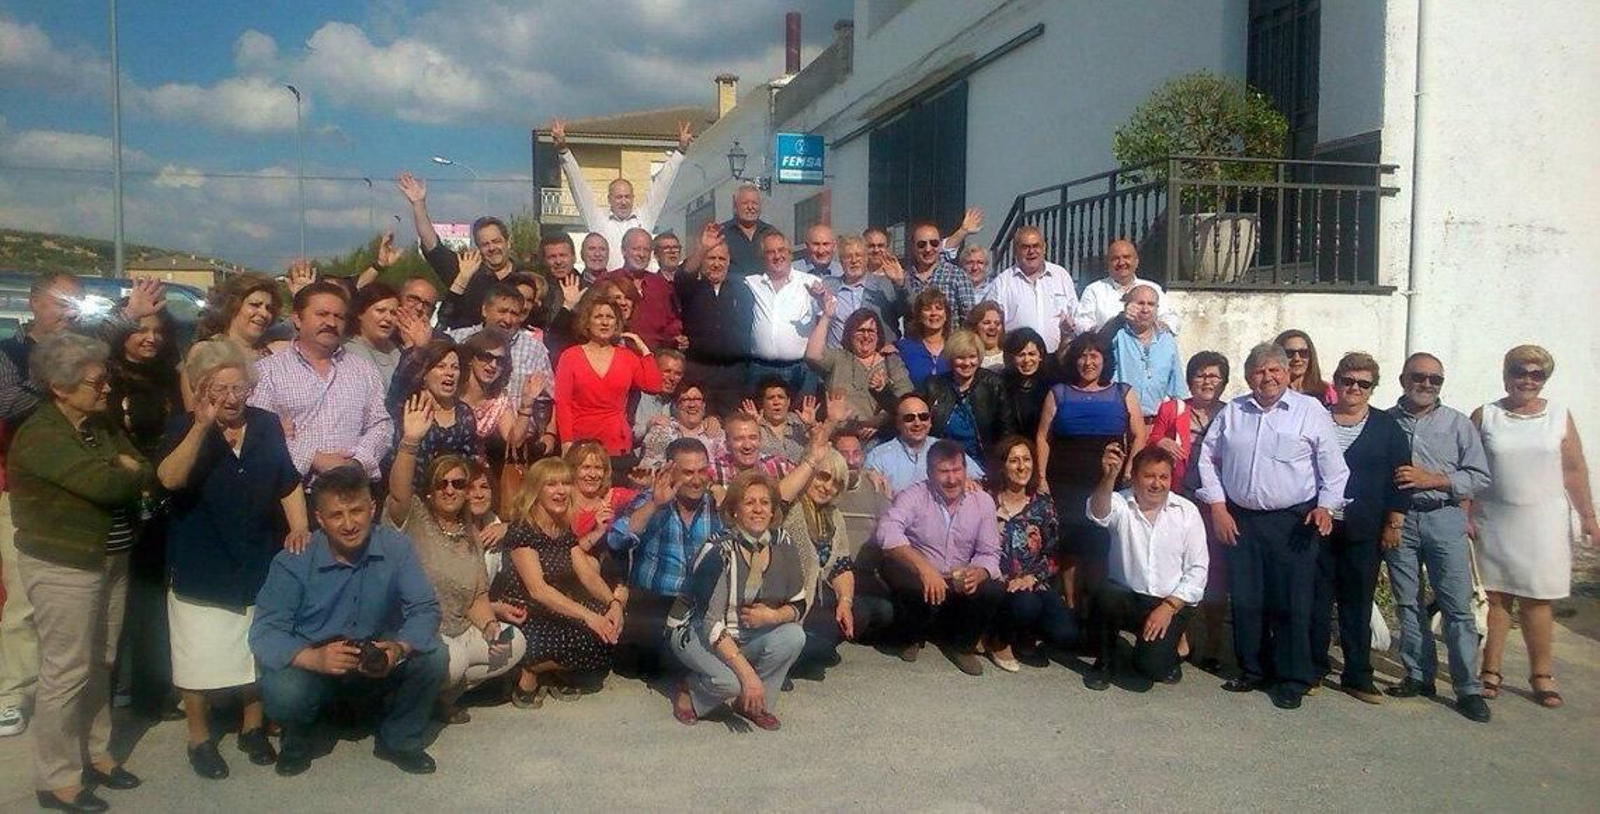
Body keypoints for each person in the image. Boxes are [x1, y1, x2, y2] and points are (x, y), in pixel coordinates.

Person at [9, 333, 153, 810]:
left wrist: (127, 469)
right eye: (96, 381)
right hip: (64, 564)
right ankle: (56, 778)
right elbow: (107, 484)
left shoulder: (99, 424)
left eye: (105, 377)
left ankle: (95, 753)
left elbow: (143, 468)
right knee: (66, 671)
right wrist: (124, 470)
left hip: (111, 557)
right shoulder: (42, 435)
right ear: (59, 387)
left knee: (102, 661)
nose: (107, 388)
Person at [156, 339, 309, 779]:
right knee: (198, 655)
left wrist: (299, 525)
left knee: (253, 651)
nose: (229, 398)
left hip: (256, 557)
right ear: (201, 389)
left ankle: (252, 727)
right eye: (218, 389)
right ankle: (199, 737)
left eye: (238, 388)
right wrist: (202, 427)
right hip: (202, 559)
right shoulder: (181, 427)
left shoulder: (263, 425)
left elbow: (287, 480)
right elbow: (169, 478)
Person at [250, 466, 446, 777]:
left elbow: (424, 608)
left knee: (433, 654)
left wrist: (398, 648)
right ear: (319, 518)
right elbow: (264, 632)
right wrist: (313, 658)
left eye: (356, 511)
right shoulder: (293, 560)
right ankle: (297, 741)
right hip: (315, 659)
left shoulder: (397, 547)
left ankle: (399, 740)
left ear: (372, 509)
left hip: (374, 652)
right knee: (286, 689)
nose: (349, 523)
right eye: (336, 515)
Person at [1197, 343, 1349, 711]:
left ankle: (1292, 677)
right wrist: (1217, 506)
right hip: (1241, 519)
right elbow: (1207, 458)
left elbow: (1334, 468)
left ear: (1286, 373)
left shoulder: (1308, 411)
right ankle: (1252, 669)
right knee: (1248, 599)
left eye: (1274, 370)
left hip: (1292, 521)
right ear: (1249, 376)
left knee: (1291, 602)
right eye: (1259, 371)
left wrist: (1327, 507)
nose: (1267, 377)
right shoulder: (1234, 411)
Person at [1472, 344, 1596, 710]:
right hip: (1493, 519)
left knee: (1537, 599)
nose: (1527, 380)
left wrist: (1588, 516)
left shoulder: (1559, 415)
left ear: (1544, 379)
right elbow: (1468, 466)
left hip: (1543, 522)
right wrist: (1464, 511)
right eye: (1519, 372)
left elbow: (1574, 470)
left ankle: (1541, 674)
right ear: (1506, 374)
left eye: (1536, 374)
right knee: (1494, 597)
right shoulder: (1486, 415)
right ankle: (1490, 670)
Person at [1383, 352, 1492, 722]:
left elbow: (1479, 476)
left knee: (1456, 606)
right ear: (1403, 379)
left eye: (1435, 379)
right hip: (1401, 519)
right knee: (1407, 601)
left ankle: (1468, 687)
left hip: (1444, 517)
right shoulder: (1384, 422)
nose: (1427, 384)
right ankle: (1417, 673)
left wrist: (1436, 479)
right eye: (1419, 376)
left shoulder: (1459, 424)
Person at [667, 471, 811, 729]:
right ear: (734, 511)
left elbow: (799, 604)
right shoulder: (718, 550)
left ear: (773, 510)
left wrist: (775, 616)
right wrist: (747, 675)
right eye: (749, 503)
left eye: (765, 503)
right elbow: (709, 622)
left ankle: (753, 703)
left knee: (793, 636)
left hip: (744, 632)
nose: (758, 510)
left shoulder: (784, 544)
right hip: (695, 629)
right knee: (731, 682)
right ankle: (691, 689)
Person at [1309, 352, 1410, 705]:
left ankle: (1357, 674)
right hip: (1318, 527)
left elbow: (1401, 479)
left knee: (1357, 602)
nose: (1354, 388)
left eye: (1363, 383)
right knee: (1316, 601)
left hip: (1365, 530)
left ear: (1372, 388)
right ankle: (1314, 668)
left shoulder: (1387, 427)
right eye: (1348, 381)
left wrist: (1394, 522)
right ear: (1335, 383)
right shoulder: (1316, 418)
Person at [101, 303, 183, 721]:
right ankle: (104, 696)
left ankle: (152, 694)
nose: (150, 338)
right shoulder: (102, 371)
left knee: (150, 600)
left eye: (157, 331)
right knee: (110, 602)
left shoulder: (170, 376)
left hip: (160, 498)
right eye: (139, 329)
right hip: (116, 496)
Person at [489, 458, 621, 707]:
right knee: (589, 634)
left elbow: (588, 575)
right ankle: (530, 671)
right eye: (551, 484)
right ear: (535, 490)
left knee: (608, 630)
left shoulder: (562, 529)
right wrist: (589, 617)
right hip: (526, 613)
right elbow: (538, 590)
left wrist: (613, 604)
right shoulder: (522, 530)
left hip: (556, 608)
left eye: (565, 483)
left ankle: (551, 671)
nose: (561, 491)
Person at [1082, 444, 1207, 691]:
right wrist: (1109, 476)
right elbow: (1097, 513)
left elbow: (1198, 569)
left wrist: (1169, 607)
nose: (1157, 484)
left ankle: (1165, 651)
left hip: (1168, 603)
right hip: (1127, 597)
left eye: (1163, 477)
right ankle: (1105, 661)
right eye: (1149, 476)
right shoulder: (1120, 501)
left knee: (1151, 670)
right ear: (1135, 477)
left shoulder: (1187, 512)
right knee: (1107, 594)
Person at [1035, 333, 1145, 608]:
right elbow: (1042, 437)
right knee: (1070, 546)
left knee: (1100, 545)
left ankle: (1095, 606)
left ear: (1104, 359)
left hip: (1108, 480)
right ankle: (1070, 605)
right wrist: (1041, 478)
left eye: (1094, 355)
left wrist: (1129, 469)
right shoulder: (1058, 392)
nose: (1088, 362)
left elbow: (1139, 435)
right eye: (1082, 355)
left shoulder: (1123, 392)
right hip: (1066, 482)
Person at [877, 440, 1003, 675]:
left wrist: (979, 573)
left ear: (966, 470)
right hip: (922, 575)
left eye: (957, 470)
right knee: (900, 573)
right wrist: (923, 568)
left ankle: (961, 646)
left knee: (992, 588)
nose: (952, 479)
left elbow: (990, 553)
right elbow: (887, 532)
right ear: (929, 473)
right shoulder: (913, 495)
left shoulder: (983, 501)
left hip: (958, 576)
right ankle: (911, 636)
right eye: (944, 472)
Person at [249, 281, 393, 483]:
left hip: (351, 491)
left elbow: (381, 425)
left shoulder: (364, 370)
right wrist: (313, 459)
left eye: (338, 317)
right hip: (292, 493)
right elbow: (258, 433)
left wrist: (357, 463)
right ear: (297, 319)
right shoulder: (267, 372)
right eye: (322, 314)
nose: (331, 323)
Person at [605, 438, 721, 678]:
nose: (697, 479)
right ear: (670, 470)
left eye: (702, 470)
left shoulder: (718, 504)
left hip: (700, 604)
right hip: (655, 601)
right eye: (688, 472)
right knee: (634, 668)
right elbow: (616, 540)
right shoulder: (651, 500)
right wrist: (655, 505)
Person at [1147, 350, 1229, 666]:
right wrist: (1161, 443)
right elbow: (1151, 444)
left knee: (1216, 573)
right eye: (1200, 375)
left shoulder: (1233, 412)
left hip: (1217, 503)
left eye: (1214, 375)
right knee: (1177, 567)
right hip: (1180, 497)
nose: (1207, 381)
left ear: (1223, 381)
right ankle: (1181, 637)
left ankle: (1213, 641)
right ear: (1189, 379)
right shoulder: (1173, 408)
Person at [781, 449, 894, 672]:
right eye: (822, 476)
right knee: (824, 643)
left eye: (836, 482)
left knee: (876, 610)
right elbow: (778, 497)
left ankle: (807, 648)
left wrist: (845, 602)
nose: (827, 487)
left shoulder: (833, 515)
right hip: (787, 600)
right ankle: (783, 660)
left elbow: (841, 565)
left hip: (818, 596)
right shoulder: (791, 509)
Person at [552, 118, 690, 271]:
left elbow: (661, 186)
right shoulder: (599, 221)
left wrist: (680, 152)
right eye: (618, 197)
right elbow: (579, 188)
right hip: (611, 287)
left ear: (633, 198)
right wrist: (564, 152)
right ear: (609, 199)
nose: (623, 202)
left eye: (627, 197)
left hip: (640, 288)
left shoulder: (644, 217)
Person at [985, 437, 1074, 672]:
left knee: (1064, 633)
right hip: (993, 580)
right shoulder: (985, 498)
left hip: (1030, 582)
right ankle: (997, 640)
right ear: (1002, 466)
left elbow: (1053, 554)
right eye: (1014, 460)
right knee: (1026, 606)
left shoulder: (1043, 505)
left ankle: (1025, 634)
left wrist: (1031, 578)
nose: (1022, 467)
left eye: (1027, 459)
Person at [397, 172, 523, 328]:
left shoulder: (525, 277)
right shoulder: (465, 270)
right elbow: (432, 245)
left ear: (508, 242)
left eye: (496, 241)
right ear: (478, 247)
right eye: (485, 244)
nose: (492, 248)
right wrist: (418, 204)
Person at [554, 296, 661, 460]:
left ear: (617, 323)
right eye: (598, 317)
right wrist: (566, 441)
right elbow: (563, 402)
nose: (604, 322)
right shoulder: (570, 356)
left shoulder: (627, 357)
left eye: (610, 317)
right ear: (587, 322)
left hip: (616, 443)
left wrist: (644, 349)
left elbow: (653, 386)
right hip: (581, 442)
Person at [443, 282, 555, 416]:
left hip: (516, 431)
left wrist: (548, 434)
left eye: (514, 313)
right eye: (502, 311)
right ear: (484, 310)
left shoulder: (535, 350)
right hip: (461, 430)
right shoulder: (456, 339)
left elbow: (550, 400)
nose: (508, 319)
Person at [805, 302, 912, 441]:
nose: (866, 336)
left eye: (871, 331)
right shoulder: (838, 358)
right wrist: (826, 316)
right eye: (860, 330)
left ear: (878, 335)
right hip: (840, 437)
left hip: (879, 437)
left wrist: (879, 422)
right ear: (850, 334)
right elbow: (812, 354)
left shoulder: (892, 362)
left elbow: (907, 399)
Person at [387, 339, 484, 483]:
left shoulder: (464, 413)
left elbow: (470, 462)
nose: (449, 373)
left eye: (455, 367)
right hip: (415, 494)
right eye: (441, 366)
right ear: (425, 374)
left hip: (454, 493)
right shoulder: (410, 409)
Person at [185, 272, 287, 409]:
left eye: (269, 308)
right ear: (233, 306)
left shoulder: (276, 351)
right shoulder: (204, 350)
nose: (264, 313)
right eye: (255, 305)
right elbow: (193, 412)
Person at [676, 240, 755, 415]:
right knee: (702, 424)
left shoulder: (741, 290)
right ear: (702, 260)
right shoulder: (690, 288)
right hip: (699, 372)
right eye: (711, 258)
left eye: (721, 259)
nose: (717, 264)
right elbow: (682, 275)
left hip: (733, 375)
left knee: (731, 422)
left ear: (728, 262)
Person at [746, 230, 823, 396]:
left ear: (790, 254)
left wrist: (822, 298)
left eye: (781, 250)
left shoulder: (811, 283)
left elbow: (829, 312)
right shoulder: (752, 283)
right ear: (763, 257)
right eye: (770, 252)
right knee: (756, 419)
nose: (777, 256)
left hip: (800, 369)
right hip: (760, 368)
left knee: (802, 419)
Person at [924, 329, 1015, 464]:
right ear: (951, 358)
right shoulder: (933, 386)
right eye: (961, 357)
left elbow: (1007, 431)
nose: (967, 363)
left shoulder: (994, 384)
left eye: (972, 357)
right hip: (945, 463)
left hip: (984, 462)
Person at [863, 394, 984, 495]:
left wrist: (971, 482)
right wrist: (867, 476)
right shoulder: (879, 456)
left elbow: (979, 481)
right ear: (898, 423)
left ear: (930, 422)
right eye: (909, 418)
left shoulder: (948, 450)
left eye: (923, 417)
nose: (917, 423)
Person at [990, 226, 1080, 353]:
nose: (1031, 251)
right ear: (1016, 251)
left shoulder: (1061, 276)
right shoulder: (1002, 282)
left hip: (1057, 359)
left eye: (1036, 246)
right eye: (1025, 247)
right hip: (1020, 360)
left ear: (1044, 248)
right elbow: (990, 322)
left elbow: (1076, 314)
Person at [594, 227, 683, 351]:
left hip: (654, 358)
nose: (641, 254)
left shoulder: (661, 285)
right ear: (623, 251)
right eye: (636, 249)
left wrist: (676, 338)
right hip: (616, 357)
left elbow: (672, 322)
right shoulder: (607, 281)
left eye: (646, 250)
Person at [1110, 284, 1187, 419]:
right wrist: (1120, 318)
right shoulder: (1116, 335)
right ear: (1127, 306)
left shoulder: (1167, 340)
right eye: (1140, 303)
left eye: (1151, 304)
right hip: (1120, 421)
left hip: (1155, 424)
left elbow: (1177, 390)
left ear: (1157, 309)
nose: (1145, 309)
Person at [1072, 239, 1179, 335]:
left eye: (1126, 257)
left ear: (1136, 262)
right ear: (1108, 264)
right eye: (1115, 258)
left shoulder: (1153, 288)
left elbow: (1172, 320)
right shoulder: (1094, 290)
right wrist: (1108, 328)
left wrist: (1156, 328)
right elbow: (1081, 325)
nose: (1121, 262)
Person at [456, 329, 539, 455]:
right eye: (487, 357)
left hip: (477, 468)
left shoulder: (499, 400)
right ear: (470, 358)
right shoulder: (453, 390)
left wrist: (526, 405)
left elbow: (514, 442)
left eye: (500, 360)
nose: (493, 365)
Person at [880, 221, 979, 323]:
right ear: (913, 247)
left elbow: (970, 319)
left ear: (941, 245)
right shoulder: (903, 277)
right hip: (915, 338)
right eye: (921, 244)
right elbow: (900, 314)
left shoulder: (957, 275)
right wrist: (900, 284)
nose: (928, 249)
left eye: (934, 243)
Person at [685, 184, 778, 278]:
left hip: (765, 291)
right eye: (745, 203)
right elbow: (689, 272)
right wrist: (703, 249)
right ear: (735, 206)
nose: (750, 207)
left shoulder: (771, 233)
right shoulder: (720, 234)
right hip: (730, 291)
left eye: (754, 203)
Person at [821, 235, 900, 345]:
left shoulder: (885, 285)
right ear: (841, 261)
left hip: (876, 356)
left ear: (866, 258)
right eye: (848, 256)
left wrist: (900, 284)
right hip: (839, 357)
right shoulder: (828, 285)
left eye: (859, 255)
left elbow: (908, 312)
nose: (854, 261)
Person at [565, 441, 638, 556]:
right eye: (586, 467)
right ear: (573, 470)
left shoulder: (614, 497)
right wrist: (597, 532)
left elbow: (651, 500)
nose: (593, 474)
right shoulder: (562, 502)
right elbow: (562, 553)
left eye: (598, 468)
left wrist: (645, 485)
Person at [638, 382, 727, 469]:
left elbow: (725, 471)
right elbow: (649, 468)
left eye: (697, 399)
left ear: (704, 405)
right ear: (677, 405)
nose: (692, 405)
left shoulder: (716, 434)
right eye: (686, 400)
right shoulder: (661, 431)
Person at [343, 282, 403, 389]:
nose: (388, 318)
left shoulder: (398, 350)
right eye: (380, 311)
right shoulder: (348, 351)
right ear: (360, 313)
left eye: (393, 313)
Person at [894, 287, 954, 388]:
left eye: (939, 308)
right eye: (927, 309)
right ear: (919, 316)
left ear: (946, 315)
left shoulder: (956, 347)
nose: (933, 313)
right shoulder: (904, 347)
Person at [1000, 327, 1052, 440]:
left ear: (1040, 356)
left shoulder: (1051, 384)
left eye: (1032, 354)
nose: (1027, 360)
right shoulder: (1001, 384)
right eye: (1021, 355)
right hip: (1014, 448)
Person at [746, 376, 812, 461]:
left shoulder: (801, 421)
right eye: (770, 398)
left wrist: (812, 426)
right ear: (762, 403)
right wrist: (752, 427)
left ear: (788, 402)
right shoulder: (755, 425)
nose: (776, 402)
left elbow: (819, 447)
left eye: (781, 397)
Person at [632, 348, 684, 446]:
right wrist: (648, 426)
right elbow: (625, 436)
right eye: (667, 371)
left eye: (678, 374)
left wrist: (712, 420)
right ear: (654, 371)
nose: (672, 378)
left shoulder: (676, 403)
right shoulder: (636, 397)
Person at [1274, 329, 1336, 405]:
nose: (1297, 358)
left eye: (1303, 353)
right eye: (1289, 353)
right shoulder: (1272, 392)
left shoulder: (1325, 391)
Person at [966, 302, 1005, 370]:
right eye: (986, 323)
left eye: (997, 323)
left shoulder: (1010, 358)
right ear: (975, 327)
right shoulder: (967, 360)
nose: (993, 327)